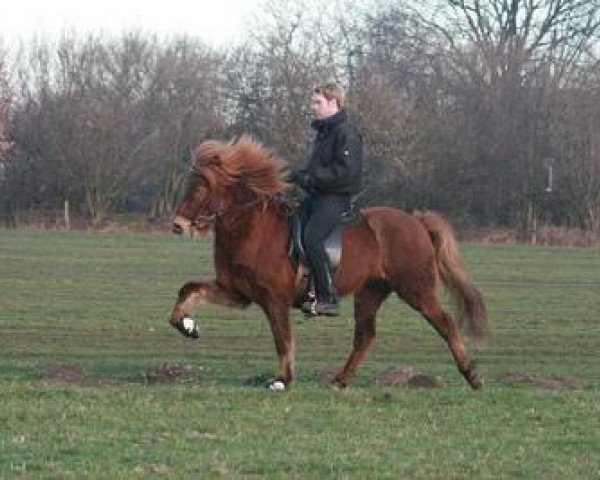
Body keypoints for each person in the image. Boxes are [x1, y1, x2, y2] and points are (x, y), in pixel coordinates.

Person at [290, 83, 363, 316]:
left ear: (334, 103)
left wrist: (311, 178)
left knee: (312, 238)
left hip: (335, 197)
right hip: (317, 195)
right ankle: (305, 287)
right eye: (313, 102)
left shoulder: (345, 132)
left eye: (318, 102)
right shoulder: (325, 132)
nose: (314, 107)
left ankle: (328, 298)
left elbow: (344, 173)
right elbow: (317, 168)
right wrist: (298, 176)